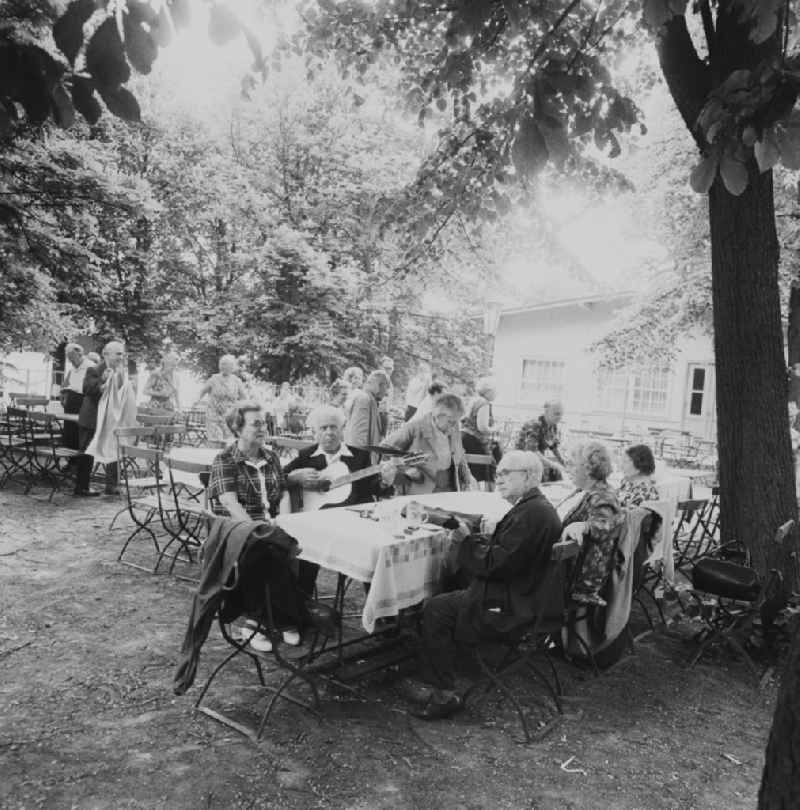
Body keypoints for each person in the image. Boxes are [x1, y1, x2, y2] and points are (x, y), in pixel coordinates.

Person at [404, 451, 562, 719]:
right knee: (455, 580)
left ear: (527, 476)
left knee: (436, 607)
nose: (497, 478)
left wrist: (468, 538)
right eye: (497, 473)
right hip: (528, 597)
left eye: (505, 474)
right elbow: (508, 555)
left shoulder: (531, 513)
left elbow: (494, 565)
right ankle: (456, 659)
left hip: (513, 608)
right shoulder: (536, 508)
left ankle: (443, 694)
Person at [207, 401, 300, 651]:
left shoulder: (271, 456)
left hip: (271, 524)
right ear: (238, 429)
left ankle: (270, 618)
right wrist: (255, 530)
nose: (263, 428)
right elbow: (229, 501)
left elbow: (282, 492)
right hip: (237, 528)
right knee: (266, 552)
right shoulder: (225, 459)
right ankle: (262, 622)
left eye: (265, 423)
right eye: (256, 424)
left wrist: (284, 520)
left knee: (296, 545)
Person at [284, 405, 396, 596]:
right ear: (315, 433)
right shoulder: (306, 457)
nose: (329, 433)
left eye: (334, 427)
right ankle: (303, 603)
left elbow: (373, 488)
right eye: (324, 428)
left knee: (372, 550)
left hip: (352, 524)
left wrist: (386, 481)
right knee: (306, 545)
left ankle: (379, 611)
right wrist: (294, 478)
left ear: (342, 430)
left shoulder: (360, 456)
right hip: (318, 522)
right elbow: (279, 477)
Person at [560, 441, 624, 606]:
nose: (569, 470)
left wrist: (584, 526)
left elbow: (606, 525)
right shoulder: (594, 491)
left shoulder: (603, 496)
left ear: (587, 469)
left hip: (579, 580)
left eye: (573, 466)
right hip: (576, 569)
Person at [75, 340, 137, 497]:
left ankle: (112, 486)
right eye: (116, 353)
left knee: (113, 450)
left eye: (121, 353)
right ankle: (82, 487)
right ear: (105, 354)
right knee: (86, 453)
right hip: (92, 419)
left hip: (112, 420)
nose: (120, 357)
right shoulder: (94, 369)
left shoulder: (122, 371)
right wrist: (103, 381)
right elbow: (87, 390)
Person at [384, 393, 474, 494]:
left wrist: (467, 479)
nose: (453, 426)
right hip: (422, 488)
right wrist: (407, 470)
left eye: (456, 422)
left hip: (449, 485)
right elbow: (386, 449)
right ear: (438, 415)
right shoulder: (415, 427)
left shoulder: (454, 426)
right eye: (450, 422)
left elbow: (460, 454)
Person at [192, 355, 248, 444]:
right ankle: (214, 456)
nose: (223, 366)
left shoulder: (236, 381)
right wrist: (196, 400)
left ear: (232, 366)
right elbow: (202, 392)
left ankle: (225, 457)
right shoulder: (213, 379)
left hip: (229, 416)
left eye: (226, 364)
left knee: (229, 442)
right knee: (216, 441)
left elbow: (244, 397)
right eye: (221, 364)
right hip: (213, 414)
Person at [461, 377, 500, 484]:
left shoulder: (474, 400)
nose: (496, 394)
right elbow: (482, 427)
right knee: (485, 471)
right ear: (488, 391)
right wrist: (495, 429)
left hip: (464, 438)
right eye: (495, 391)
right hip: (473, 441)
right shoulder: (484, 403)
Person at [515, 399, 566, 481]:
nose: (559, 417)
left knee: (556, 475)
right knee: (552, 472)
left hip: (536, 461)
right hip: (522, 463)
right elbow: (532, 452)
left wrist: (564, 463)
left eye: (561, 414)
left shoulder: (553, 426)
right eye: (556, 414)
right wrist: (554, 464)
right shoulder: (535, 424)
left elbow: (553, 446)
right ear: (546, 412)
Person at [343, 370, 390, 452]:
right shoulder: (364, 399)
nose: (387, 392)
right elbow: (358, 436)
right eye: (386, 388)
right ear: (379, 385)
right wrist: (361, 459)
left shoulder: (371, 400)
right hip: (360, 458)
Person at [60, 343, 94, 451]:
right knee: (69, 432)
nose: (70, 361)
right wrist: (63, 393)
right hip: (71, 400)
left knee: (79, 433)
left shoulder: (90, 366)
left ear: (80, 354)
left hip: (83, 401)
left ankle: (78, 461)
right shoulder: (72, 368)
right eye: (69, 358)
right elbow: (66, 384)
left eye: (72, 358)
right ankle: (70, 461)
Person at [377, 356, 395, 435]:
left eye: (390, 368)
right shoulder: (376, 380)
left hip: (385, 414)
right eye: (386, 368)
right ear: (381, 368)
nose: (388, 371)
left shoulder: (390, 383)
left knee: (382, 438)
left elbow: (388, 400)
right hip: (377, 414)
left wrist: (391, 410)